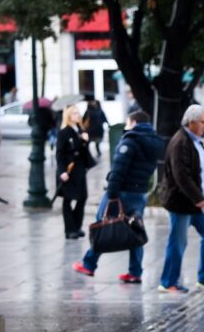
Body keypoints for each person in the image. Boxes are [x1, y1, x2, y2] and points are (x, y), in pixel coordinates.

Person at [72, 111, 164, 282]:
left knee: (102, 223)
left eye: (128, 123)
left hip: (122, 191)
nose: (126, 126)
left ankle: (89, 264)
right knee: (136, 229)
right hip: (140, 192)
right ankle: (135, 272)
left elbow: (118, 169)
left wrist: (112, 193)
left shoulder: (130, 140)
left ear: (134, 122)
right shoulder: (154, 142)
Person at [158, 105, 204, 293]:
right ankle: (168, 281)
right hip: (182, 202)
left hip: (198, 202)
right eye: (202, 122)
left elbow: (202, 172)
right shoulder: (180, 142)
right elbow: (181, 175)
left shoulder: (195, 141)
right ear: (191, 122)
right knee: (178, 242)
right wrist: (197, 197)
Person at [55, 105, 94, 240]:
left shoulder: (80, 130)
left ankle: (77, 226)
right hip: (68, 170)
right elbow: (59, 154)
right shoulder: (64, 132)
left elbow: (82, 151)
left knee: (83, 197)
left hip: (80, 170)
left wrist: (85, 141)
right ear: (69, 116)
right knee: (68, 199)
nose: (78, 115)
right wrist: (62, 171)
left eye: (78, 113)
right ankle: (70, 229)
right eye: (75, 113)